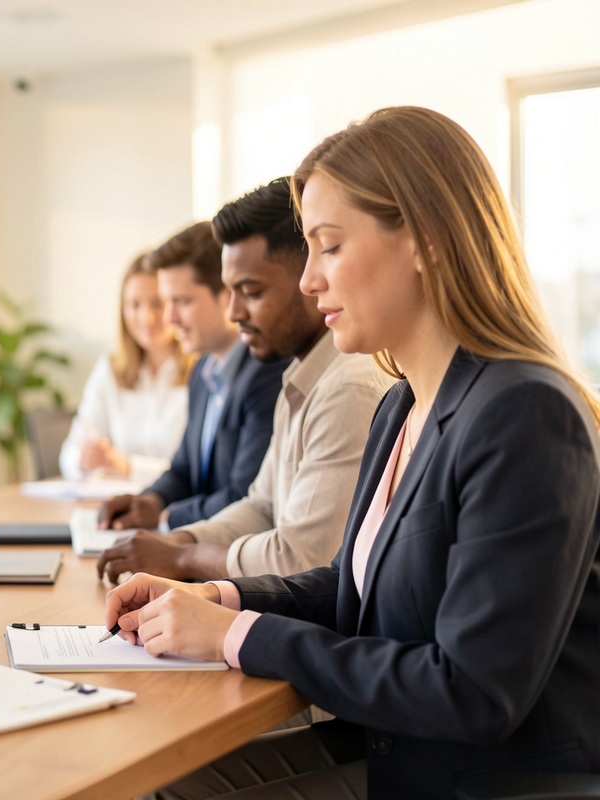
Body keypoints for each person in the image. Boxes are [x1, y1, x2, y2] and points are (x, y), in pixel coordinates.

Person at [107, 106, 600, 799]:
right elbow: (351, 588)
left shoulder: (525, 413)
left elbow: (473, 693)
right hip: (395, 748)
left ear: (426, 240)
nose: (309, 280)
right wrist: (212, 596)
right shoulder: (402, 403)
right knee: (163, 782)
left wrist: (235, 633)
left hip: (480, 780)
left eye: (329, 247)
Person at [97, 178, 392, 584]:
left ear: (310, 279)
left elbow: (301, 557)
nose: (234, 312)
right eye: (231, 291)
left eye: (250, 292)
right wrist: (177, 542)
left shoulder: (346, 389)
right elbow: (261, 507)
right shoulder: (301, 377)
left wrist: (184, 557)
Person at [99, 222, 287, 531]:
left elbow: (245, 500)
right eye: (168, 301)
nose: (169, 318)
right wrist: (148, 502)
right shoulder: (202, 371)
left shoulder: (266, 373)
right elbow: (184, 470)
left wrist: (166, 518)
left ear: (227, 296)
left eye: (182, 302)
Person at [58, 253, 191, 486]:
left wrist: (130, 467)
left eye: (157, 303)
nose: (147, 318)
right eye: (135, 305)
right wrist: (84, 459)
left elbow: (196, 473)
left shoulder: (201, 371)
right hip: (118, 500)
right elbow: (69, 454)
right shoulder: (110, 369)